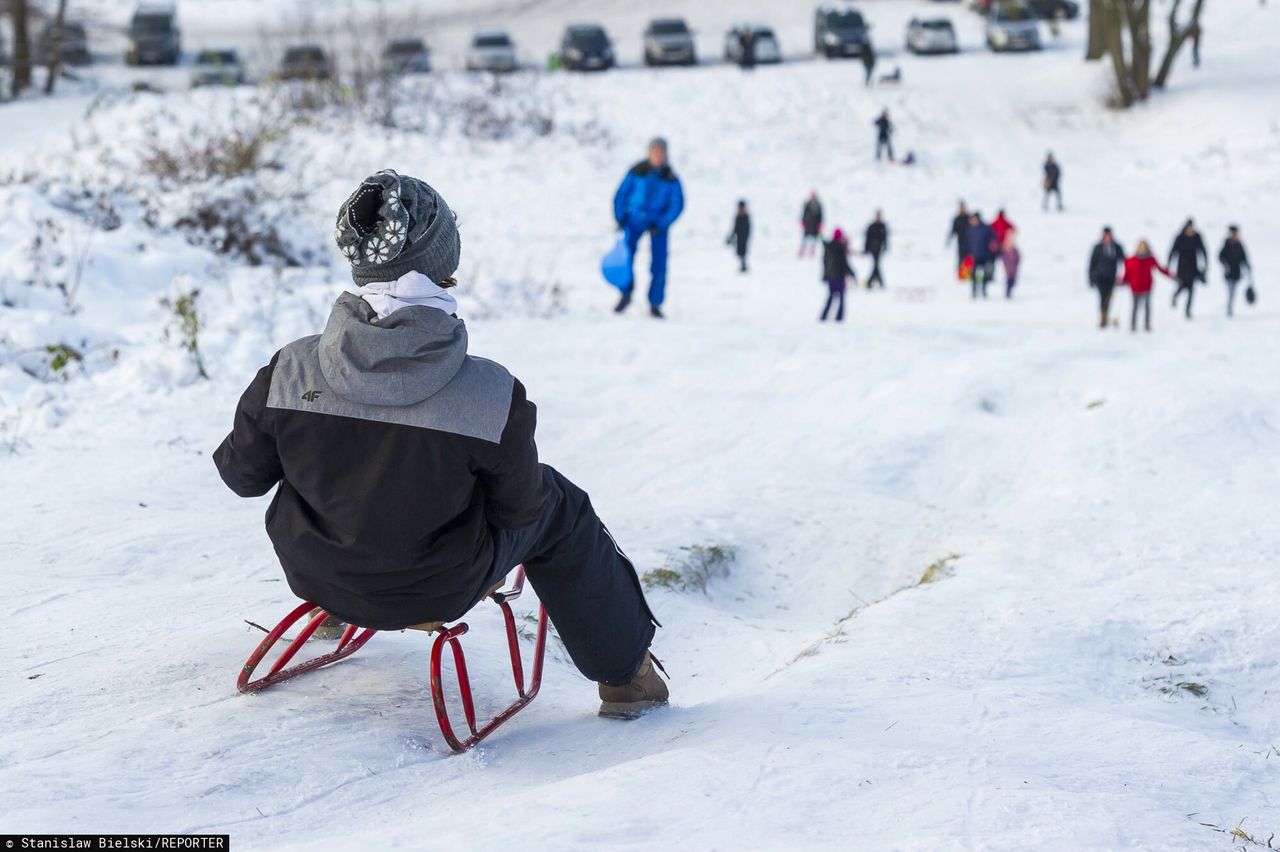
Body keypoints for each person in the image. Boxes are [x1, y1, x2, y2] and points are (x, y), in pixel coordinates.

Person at [214, 170, 667, 720]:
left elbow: (242, 477)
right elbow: (522, 510)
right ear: (443, 263)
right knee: (559, 502)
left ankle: (337, 607)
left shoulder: (290, 369)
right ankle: (626, 677)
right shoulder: (493, 394)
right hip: (439, 587)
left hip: (314, 572)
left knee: (337, 461)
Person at [613, 137, 685, 319]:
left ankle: (655, 303)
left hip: (658, 225)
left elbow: (677, 204)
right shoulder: (637, 171)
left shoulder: (670, 177)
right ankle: (626, 293)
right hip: (635, 220)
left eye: (661, 152)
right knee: (625, 258)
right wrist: (621, 217)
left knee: (659, 264)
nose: (658, 155)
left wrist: (662, 222)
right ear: (649, 153)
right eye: (655, 151)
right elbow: (621, 194)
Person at [1122, 239, 1173, 332]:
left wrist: (1171, 275)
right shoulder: (1130, 260)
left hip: (1147, 287)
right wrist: (1122, 281)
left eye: (1144, 247)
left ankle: (1147, 324)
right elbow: (1127, 274)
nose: (1142, 248)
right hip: (1135, 287)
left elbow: (1161, 269)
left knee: (1147, 306)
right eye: (1141, 246)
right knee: (1135, 307)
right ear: (1138, 248)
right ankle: (1133, 325)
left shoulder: (1151, 259)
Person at [1168, 218, 1207, 319]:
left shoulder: (1197, 237)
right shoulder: (1180, 237)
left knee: (1191, 290)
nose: (1190, 230)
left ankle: (1188, 311)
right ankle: (1175, 296)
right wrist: (1169, 265)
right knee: (1182, 286)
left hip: (1193, 267)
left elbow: (1203, 250)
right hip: (1182, 268)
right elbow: (1173, 251)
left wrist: (1205, 265)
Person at [1088, 226, 1127, 328]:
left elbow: (1124, 260)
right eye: (1106, 235)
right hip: (1100, 278)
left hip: (1112, 278)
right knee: (1102, 297)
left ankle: (1104, 316)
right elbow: (1092, 264)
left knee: (1109, 298)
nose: (1108, 237)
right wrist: (1091, 279)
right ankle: (1103, 317)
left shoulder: (1116, 247)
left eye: (1109, 235)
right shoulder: (1098, 247)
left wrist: (1126, 277)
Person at [821, 228, 856, 321]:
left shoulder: (828, 248)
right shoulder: (840, 248)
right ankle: (839, 317)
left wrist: (825, 275)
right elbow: (843, 263)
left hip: (830, 277)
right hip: (839, 277)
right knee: (841, 298)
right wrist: (852, 273)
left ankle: (824, 316)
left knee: (830, 297)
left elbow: (824, 262)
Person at [964, 212, 998, 299]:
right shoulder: (971, 229)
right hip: (974, 256)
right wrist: (968, 253)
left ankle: (983, 290)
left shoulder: (986, 228)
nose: (973, 220)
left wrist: (992, 252)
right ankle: (974, 291)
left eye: (974, 219)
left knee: (984, 274)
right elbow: (968, 243)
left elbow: (993, 239)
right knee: (974, 274)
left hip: (985, 256)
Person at [1218, 225, 1250, 317]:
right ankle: (1229, 307)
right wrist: (1225, 264)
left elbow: (1244, 257)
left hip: (1237, 272)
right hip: (1228, 272)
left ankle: (1230, 306)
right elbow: (1220, 256)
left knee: (1234, 291)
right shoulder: (1227, 243)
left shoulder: (1239, 244)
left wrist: (1247, 267)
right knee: (1231, 290)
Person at [864, 210, 888, 289]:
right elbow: (867, 238)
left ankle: (872, 281)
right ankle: (876, 281)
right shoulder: (872, 226)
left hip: (879, 249)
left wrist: (885, 246)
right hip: (872, 249)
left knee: (876, 265)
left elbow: (885, 237)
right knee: (876, 265)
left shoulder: (882, 226)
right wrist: (866, 248)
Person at [726, 200, 751, 273]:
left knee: (743, 252)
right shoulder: (737, 217)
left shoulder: (746, 218)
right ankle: (742, 266)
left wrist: (744, 237)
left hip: (744, 238)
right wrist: (731, 237)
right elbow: (735, 228)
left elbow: (747, 229)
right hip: (739, 238)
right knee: (739, 252)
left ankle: (743, 266)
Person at [947, 201, 970, 272]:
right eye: (961, 208)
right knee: (961, 258)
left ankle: (968, 273)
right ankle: (961, 274)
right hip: (961, 242)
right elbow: (953, 230)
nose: (962, 209)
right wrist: (949, 239)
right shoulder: (957, 219)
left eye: (963, 207)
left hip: (970, 242)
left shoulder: (969, 218)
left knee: (969, 259)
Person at [800, 191, 823, 257]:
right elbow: (804, 213)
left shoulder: (818, 205)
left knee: (814, 238)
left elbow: (820, 215)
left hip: (815, 224)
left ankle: (812, 250)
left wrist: (820, 224)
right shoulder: (807, 204)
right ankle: (802, 250)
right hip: (808, 224)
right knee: (804, 238)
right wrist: (803, 222)